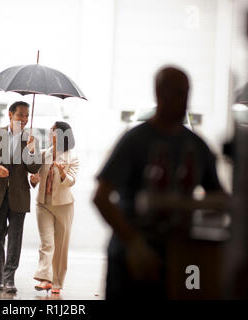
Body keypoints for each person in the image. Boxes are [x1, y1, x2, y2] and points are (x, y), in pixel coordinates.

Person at [93, 66, 224, 299]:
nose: (182, 100)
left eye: (185, 93)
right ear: (158, 93)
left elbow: (219, 198)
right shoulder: (134, 141)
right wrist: (133, 242)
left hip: (179, 258)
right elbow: (101, 197)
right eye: (175, 93)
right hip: (131, 258)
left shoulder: (196, 146)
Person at [0, 101, 42, 294]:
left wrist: (32, 151)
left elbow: (33, 168)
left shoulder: (31, 139)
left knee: (15, 239)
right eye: (20, 115)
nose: (23, 119)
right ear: (10, 115)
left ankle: (9, 278)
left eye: (26, 116)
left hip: (19, 196)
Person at [30, 121, 79, 295]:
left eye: (54, 131)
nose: (50, 133)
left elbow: (72, 181)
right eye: (51, 131)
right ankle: (45, 278)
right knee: (47, 243)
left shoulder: (72, 157)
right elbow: (34, 174)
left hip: (64, 206)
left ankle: (57, 282)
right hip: (43, 204)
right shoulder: (44, 154)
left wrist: (63, 173)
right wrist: (33, 180)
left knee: (61, 246)